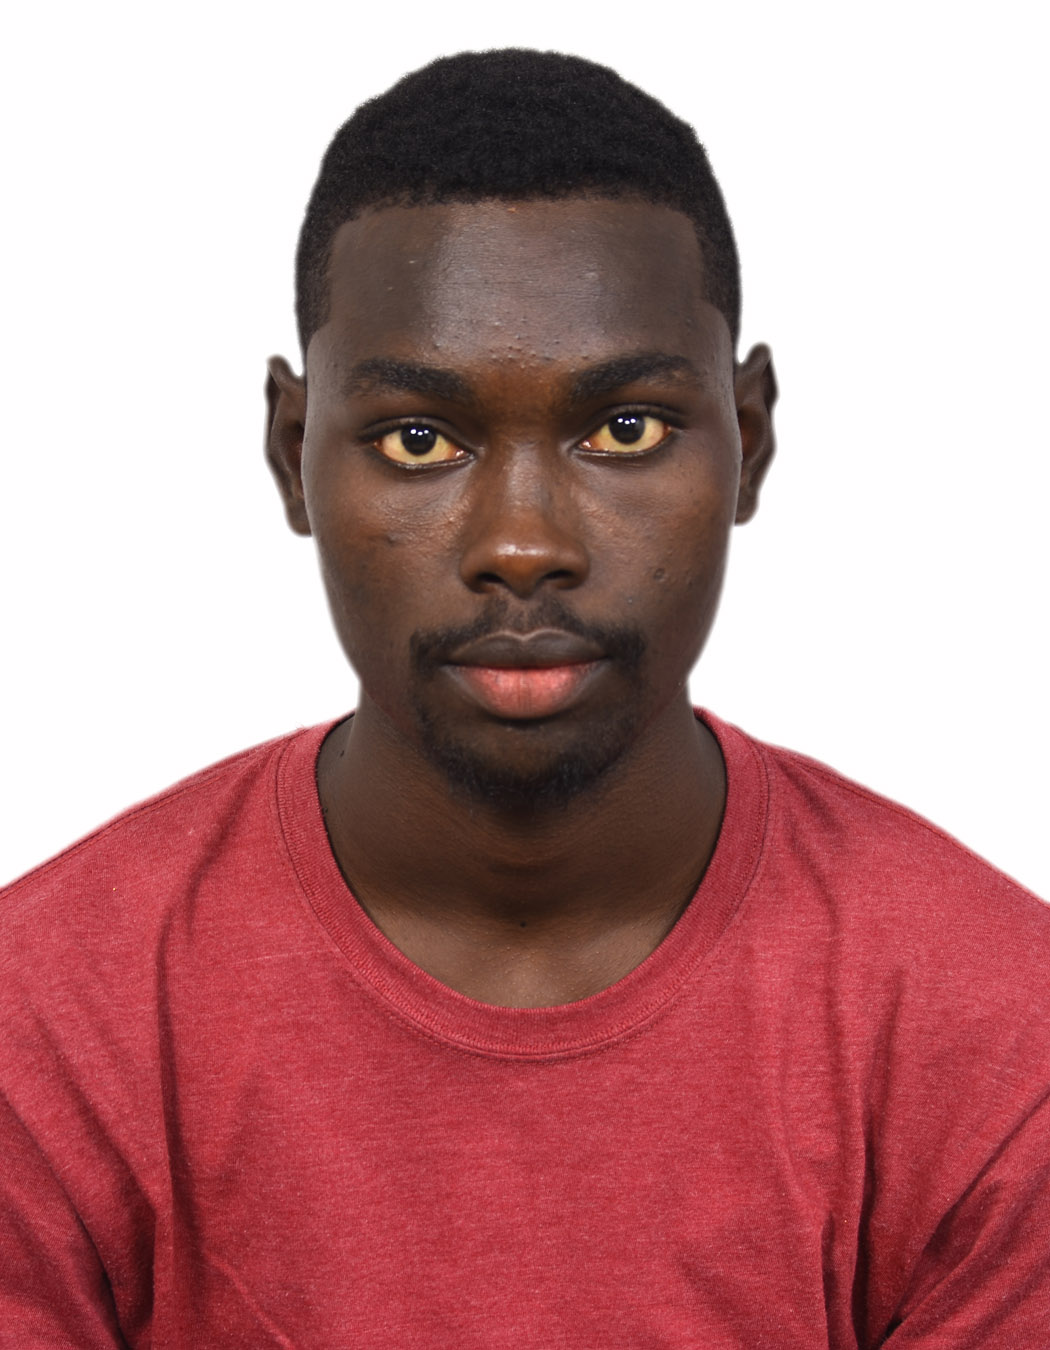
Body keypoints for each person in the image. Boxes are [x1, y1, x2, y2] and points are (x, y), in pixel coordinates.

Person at [1, 48, 1047, 1348]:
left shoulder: (1000, 1037)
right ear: (290, 454)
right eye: (419, 440)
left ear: (751, 439)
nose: (521, 543)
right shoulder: (41, 1026)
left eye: (624, 429)